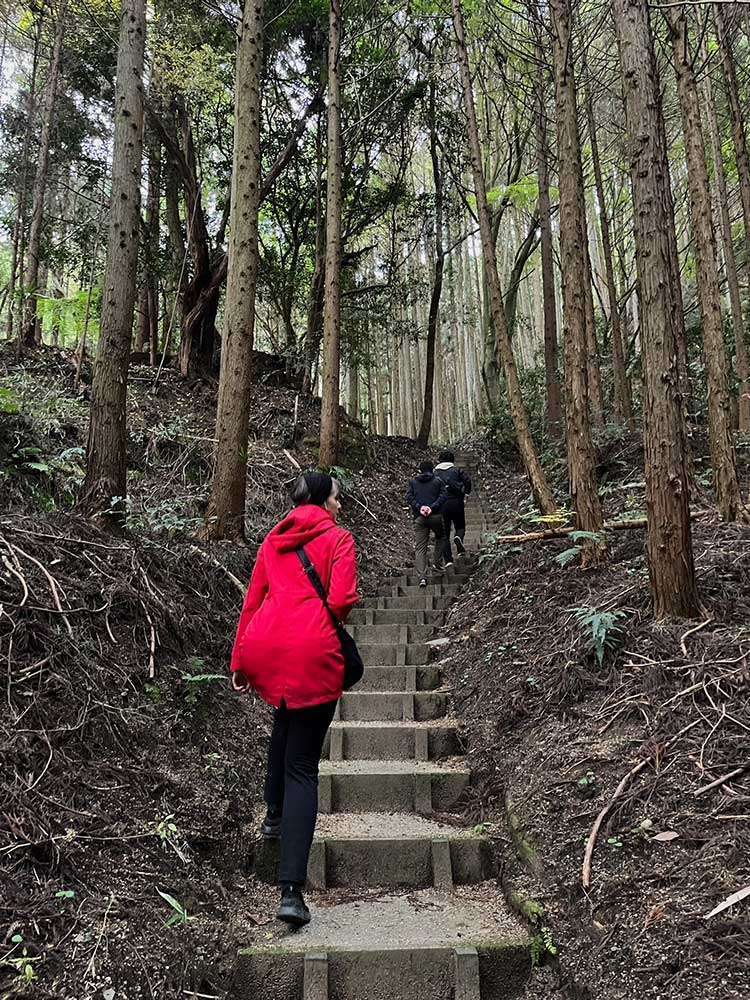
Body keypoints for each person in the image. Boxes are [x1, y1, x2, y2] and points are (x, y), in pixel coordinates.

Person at [230, 472, 359, 928]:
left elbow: (253, 600)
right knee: (303, 764)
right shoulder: (339, 539)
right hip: (311, 651)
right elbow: (342, 599)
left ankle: (272, 814)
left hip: (267, 645)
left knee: (284, 722)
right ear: (324, 500)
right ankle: (291, 892)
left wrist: (239, 661)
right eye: (338, 499)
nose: (341, 506)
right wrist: (321, 613)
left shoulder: (272, 540)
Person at [406, 461, 447, 587]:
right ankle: (437, 565)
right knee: (441, 537)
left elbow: (409, 497)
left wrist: (420, 508)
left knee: (420, 547)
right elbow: (443, 496)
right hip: (435, 517)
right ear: (432, 469)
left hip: (420, 518)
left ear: (420, 470)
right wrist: (432, 508)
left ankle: (422, 577)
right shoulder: (438, 481)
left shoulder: (413, 482)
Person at [434, 450, 472, 567]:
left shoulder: (434, 473)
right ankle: (458, 537)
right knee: (460, 526)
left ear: (439, 460)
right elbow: (467, 480)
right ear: (452, 460)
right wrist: (466, 493)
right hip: (456, 502)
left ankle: (448, 560)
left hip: (442, 505)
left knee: (444, 533)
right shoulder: (456, 470)